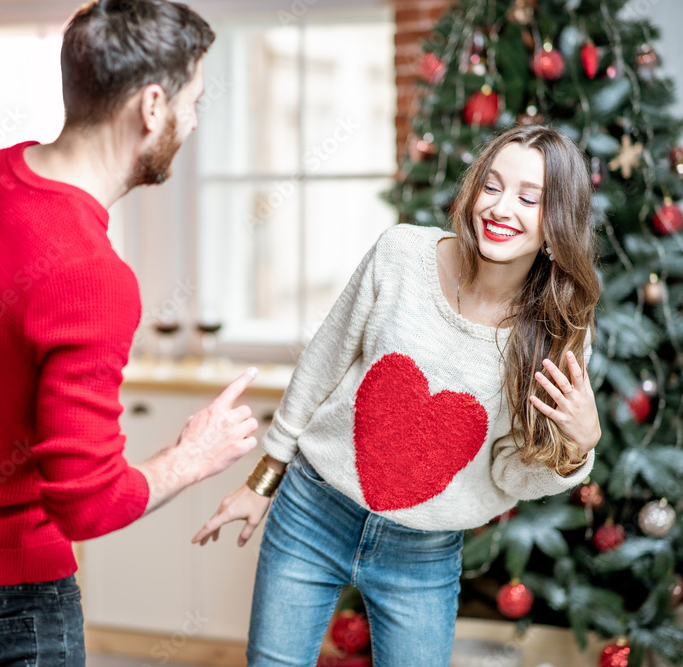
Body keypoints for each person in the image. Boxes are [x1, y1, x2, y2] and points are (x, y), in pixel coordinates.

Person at [0, 2, 259, 665]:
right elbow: (88, 504)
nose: (191, 122)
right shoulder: (92, 277)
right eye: (194, 102)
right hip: (6, 606)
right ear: (153, 105)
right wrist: (194, 455)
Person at [193, 124, 603, 666]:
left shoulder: (557, 332)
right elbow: (322, 363)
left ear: (556, 225)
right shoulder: (401, 254)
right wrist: (262, 480)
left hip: (424, 557)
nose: (501, 208)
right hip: (313, 512)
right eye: (492, 186)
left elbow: (508, 472)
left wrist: (579, 447)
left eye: (530, 198)